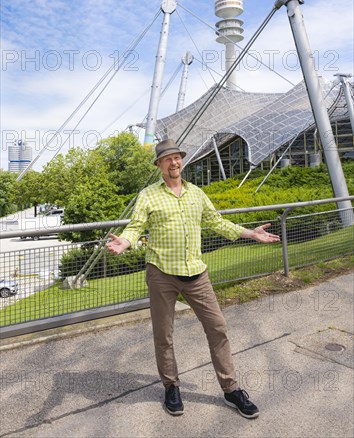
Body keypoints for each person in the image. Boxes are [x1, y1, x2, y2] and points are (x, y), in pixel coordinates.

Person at [107, 139, 280, 418]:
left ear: (181, 161)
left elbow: (217, 222)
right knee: (163, 335)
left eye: (177, 158)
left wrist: (250, 233)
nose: (174, 163)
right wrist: (124, 243)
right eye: (168, 159)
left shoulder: (197, 194)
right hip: (161, 274)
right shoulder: (149, 195)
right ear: (159, 165)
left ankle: (231, 390)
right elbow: (135, 227)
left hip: (196, 275)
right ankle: (171, 386)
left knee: (218, 327)